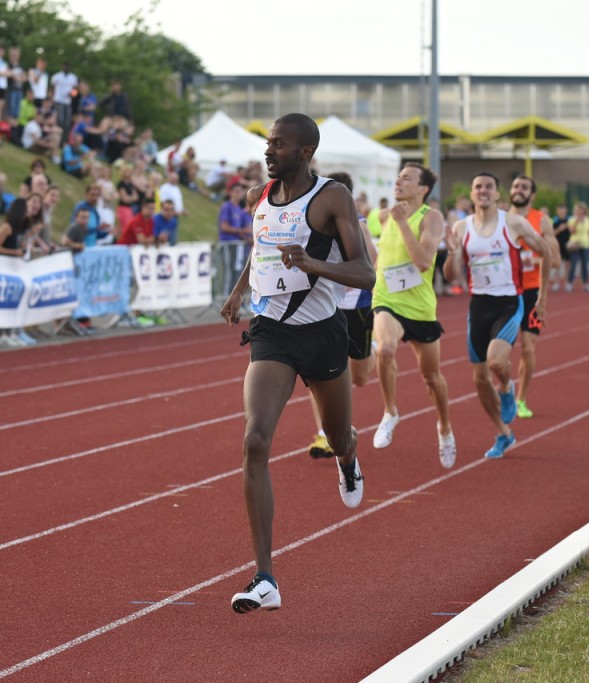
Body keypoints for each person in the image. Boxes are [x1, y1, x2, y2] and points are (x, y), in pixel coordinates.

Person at [219, 113, 375, 614]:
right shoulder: (258, 197)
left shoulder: (331, 197)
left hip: (323, 334)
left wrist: (313, 264)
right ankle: (265, 578)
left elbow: (364, 273)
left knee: (337, 436)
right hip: (272, 333)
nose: (269, 152)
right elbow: (260, 247)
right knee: (255, 439)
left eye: (279, 145)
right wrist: (241, 288)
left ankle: (349, 462)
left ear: (305, 152)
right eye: (268, 143)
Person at [443, 172, 547, 459]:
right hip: (478, 306)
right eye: (478, 186)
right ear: (472, 194)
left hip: (508, 303)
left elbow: (546, 251)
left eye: (489, 186)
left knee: (496, 361)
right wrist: (452, 254)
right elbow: (451, 274)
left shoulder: (512, 222)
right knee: (478, 379)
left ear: (498, 194)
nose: (483, 190)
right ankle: (504, 433)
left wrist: (543, 296)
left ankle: (507, 387)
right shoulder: (461, 227)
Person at [368, 163, 455, 467]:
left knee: (431, 377)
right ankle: (390, 411)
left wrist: (403, 223)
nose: (399, 181)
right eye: (398, 176)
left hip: (419, 307)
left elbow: (421, 262)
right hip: (386, 299)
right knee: (386, 349)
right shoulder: (381, 216)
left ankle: (444, 427)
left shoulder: (430, 217)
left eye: (407, 178)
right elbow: (360, 232)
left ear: (423, 189)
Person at [306, 171, 378, 460]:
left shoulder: (358, 225)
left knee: (359, 377)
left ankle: (369, 349)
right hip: (326, 309)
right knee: (318, 375)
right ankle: (325, 434)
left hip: (357, 307)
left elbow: (371, 263)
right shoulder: (313, 223)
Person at [507, 174, 559, 419]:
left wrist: (530, 259)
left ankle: (521, 399)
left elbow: (555, 259)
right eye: (516, 186)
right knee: (496, 353)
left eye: (524, 187)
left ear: (532, 194)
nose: (518, 190)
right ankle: (505, 391)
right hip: (504, 291)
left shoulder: (542, 220)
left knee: (528, 348)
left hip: (531, 293)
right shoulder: (500, 219)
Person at [565, 202, 589, 291]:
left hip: (585, 244)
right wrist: (577, 221)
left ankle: (585, 283)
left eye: (581, 210)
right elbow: (572, 231)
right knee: (573, 264)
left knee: (585, 265)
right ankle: (569, 282)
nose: (580, 212)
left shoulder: (588, 220)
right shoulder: (572, 220)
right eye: (578, 210)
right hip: (575, 244)